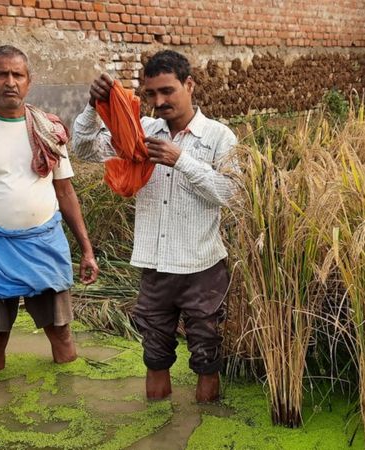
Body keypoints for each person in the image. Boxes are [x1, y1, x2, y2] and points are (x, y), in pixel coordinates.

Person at [71, 50, 237, 403]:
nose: (159, 102)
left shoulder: (219, 137)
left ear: (189, 85)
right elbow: (83, 150)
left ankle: (204, 418)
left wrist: (183, 161)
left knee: (207, 355)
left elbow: (231, 194)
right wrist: (92, 106)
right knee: (154, 353)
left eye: (167, 91)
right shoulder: (140, 131)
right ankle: (158, 424)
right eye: (151, 94)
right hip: (155, 267)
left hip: (202, 267)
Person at [0, 45, 99, 375]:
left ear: (29, 82)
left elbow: (65, 191)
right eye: (2, 74)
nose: (10, 82)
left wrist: (87, 250)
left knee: (61, 334)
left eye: (18, 75)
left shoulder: (49, 129)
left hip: (43, 245)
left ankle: (69, 399)